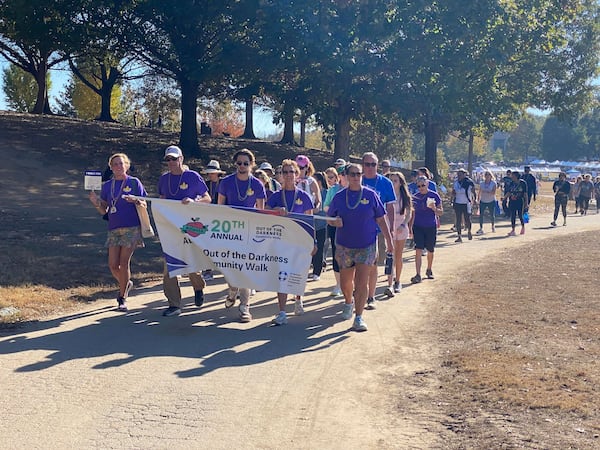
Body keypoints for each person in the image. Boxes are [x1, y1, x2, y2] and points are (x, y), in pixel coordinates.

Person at [327, 163, 394, 332]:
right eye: (353, 174)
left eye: (359, 174)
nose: (356, 177)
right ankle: (348, 302)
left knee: (361, 282)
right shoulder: (340, 197)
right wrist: (335, 221)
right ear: (347, 176)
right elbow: (329, 218)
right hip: (344, 246)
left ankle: (359, 317)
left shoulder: (371, 195)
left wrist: (389, 240)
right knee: (345, 282)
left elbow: (381, 218)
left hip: (366, 245)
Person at [89, 153, 147, 312]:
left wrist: (136, 200)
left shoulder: (134, 182)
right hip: (114, 228)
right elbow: (104, 210)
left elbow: (144, 203)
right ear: (111, 167)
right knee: (113, 265)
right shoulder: (108, 186)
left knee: (123, 262)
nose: (118, 167)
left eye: (121, 163)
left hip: (132, 227)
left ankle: (122, 298)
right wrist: (96, 203)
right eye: (115, 164)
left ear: (127, 165)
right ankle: (125, 283)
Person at [158, 145, 211, 317]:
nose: (171, 162)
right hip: (171, 229)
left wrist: (194, 201)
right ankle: (174, 304)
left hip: (191, 227)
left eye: (174, 158)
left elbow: (207, 199)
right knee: (169, 266)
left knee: (190, 265)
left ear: (181, 159)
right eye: (168, 159)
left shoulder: (192, 176)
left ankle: (198, 287)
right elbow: (162, 202)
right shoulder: (163, 180)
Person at [218, 148, 266, 322]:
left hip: (249, 231)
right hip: (230, 231)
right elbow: (220, 207)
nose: (242, 166)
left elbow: (261, 211)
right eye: (239, 163)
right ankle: (232, 290)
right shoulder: (226, 182)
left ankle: (245, 306)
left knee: (245, 269)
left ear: (251, 165)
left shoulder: (257, 184)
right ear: (235, 164)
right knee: (231, 268)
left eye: (246, 163)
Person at [266, 159, 315, 325]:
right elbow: (264, 214)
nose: (288, 175)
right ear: (281, 175)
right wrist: (275, 211)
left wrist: (313, 241)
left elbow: (310, 221)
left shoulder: (304, 197)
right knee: (282, 275)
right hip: (281, 241)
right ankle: (281, 311)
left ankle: (298, 300)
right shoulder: (275, 197)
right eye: (284, 172)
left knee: (298, 272)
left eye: (291, 172)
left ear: (297, 175)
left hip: (299, 240)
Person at [361, 152, 396, 310]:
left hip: (375, 229)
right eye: (367, 164)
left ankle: (370, 296)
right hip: (357, 229)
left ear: (378, 166)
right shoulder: (356, 179)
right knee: (358, 265)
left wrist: (390, 228)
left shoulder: (385, 183)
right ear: (363, 165)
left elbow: (390, 207)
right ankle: (359, 293)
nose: (370, 168)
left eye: (373, 164)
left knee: (373, 263)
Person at [408, 176, 443, 284]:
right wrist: (410, 228)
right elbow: (411, 214)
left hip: (431, 226)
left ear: (427, 184)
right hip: (418, 226)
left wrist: (434, 208)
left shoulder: (434, 195)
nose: (421, 188)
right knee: (418, 250)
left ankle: (429, 269)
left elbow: (440, 212)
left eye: (423, 185)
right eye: (418, 186)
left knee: (430, 250)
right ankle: (418, 274)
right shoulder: (414, 197)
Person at [386, 171, 412, 295]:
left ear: (401, 183)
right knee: (390, 254)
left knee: (398, 255)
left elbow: (409, 212)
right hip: (389, 226)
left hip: (401, 227)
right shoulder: (387, 195)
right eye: (391, 180)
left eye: (395, 180)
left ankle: (398, 280)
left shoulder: (405, 196)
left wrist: (404, 224)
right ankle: (389, 283)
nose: (392, 183)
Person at [201, 159, 225, 281]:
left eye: (212, 172)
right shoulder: (205, 184)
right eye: (209, 173)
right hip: (207, 218)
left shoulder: (224, 184)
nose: (210, 175)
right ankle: (207, 270)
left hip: (222, 218)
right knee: (207, 245)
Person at [323, 166, 344, 297]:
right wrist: (333, 212)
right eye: (342, 173)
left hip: (350, 226)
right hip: (333, 225)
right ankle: (338, 284)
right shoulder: (333, 190)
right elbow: (325, 206)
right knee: (337, 254)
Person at [309, 171, 328, 281]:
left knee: (319, 248)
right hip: (310, 225)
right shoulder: (310, 193)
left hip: (321, 225)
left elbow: (325, 209)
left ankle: (317, 271)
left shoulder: (326, 192)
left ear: (319, 182)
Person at [451, 169, 475, 242]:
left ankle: (469, 231)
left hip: (466, 202)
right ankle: (459, 236)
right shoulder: (456, 183)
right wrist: (452, 198)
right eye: (458, 175)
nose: (459, 176)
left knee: (467, 219)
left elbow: (473, 192)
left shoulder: (469, 182)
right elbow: (453, 191)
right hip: (458, 202)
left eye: (460, 175)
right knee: (458, 220)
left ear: (464, 174)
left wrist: (475, 200)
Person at [504, 170, 528, 236]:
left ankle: (523, 227)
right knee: (513, 215)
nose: (512, 177)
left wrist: (526, 203)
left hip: (520, 201)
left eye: (513, 176)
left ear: (516, 176)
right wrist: (504, 198)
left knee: (520, 215)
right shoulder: (511, 183)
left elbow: (525, 193)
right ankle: (513, 230)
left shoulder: (523, 183)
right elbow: (509, 192)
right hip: (512, 201)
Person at [476, 170, 497, 234]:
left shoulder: (493, 183)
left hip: (491, 200)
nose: (487, 176)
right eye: (486, 175)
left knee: (491, 214)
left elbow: (493, 192)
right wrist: (478, 199)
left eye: (488, 175)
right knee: (481, 214)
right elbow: (479, 192)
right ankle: (481, 227)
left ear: (491, 176)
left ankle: (493, 226)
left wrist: (488, 192)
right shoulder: (482, 183)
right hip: (483, 200)